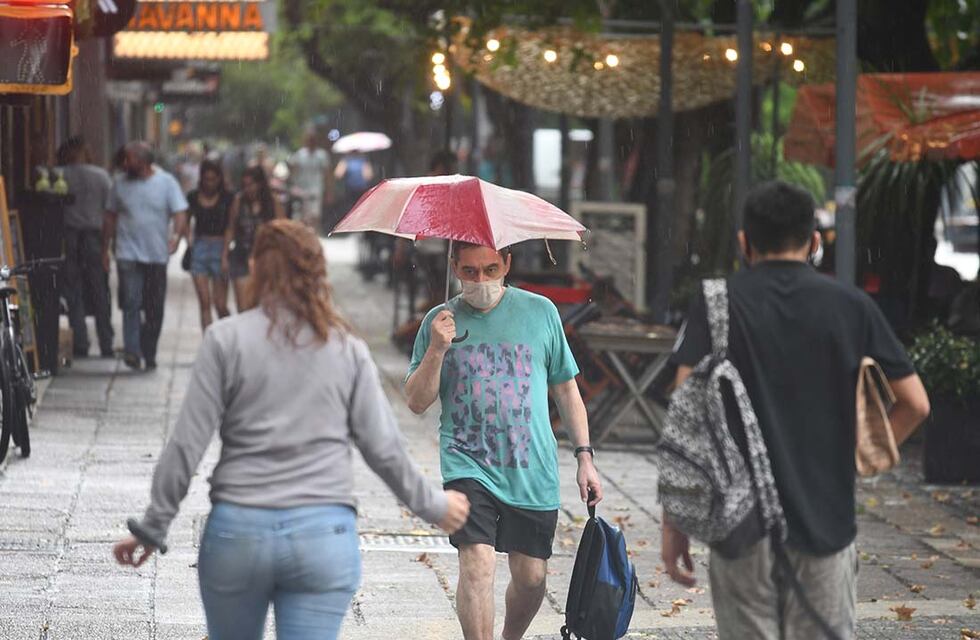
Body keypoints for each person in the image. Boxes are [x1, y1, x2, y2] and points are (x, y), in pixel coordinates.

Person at [113, 220, 470, 640]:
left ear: (255, 268)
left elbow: (185, 446)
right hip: (322, 537)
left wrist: (153, 526)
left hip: (238, 532)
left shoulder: (225, 340)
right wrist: (434, 506)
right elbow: (384, 449)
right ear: (317, 273)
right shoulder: (347, 349)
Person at [664, 180, 931, 640]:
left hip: (740, 526)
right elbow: (916, 403)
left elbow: (685, 417)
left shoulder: (716, 302)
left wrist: (676, 522)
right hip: (826, 521)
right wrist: (856, 459)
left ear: (745, 242)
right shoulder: (852, 306)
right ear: (814, 242)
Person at [405, 242, 603, 640]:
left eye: (491, 270)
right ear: (454, 267)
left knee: (531, 577)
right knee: (476, 564)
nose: (481, 281)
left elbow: (566, 391)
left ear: (507, 264)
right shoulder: (439, 322)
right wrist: (437, 349)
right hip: (467, 462)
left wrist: (585, 457)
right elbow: (416, 401)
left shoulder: (541, 312)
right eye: (470, 271)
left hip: (530, 466)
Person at [103, 142, 188, 371]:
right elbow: (110, 216)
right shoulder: (119, 183)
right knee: (131, 302)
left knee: (154, 307)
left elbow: (180, 212)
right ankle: (132, 350)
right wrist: (105, 249)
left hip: (156, 255)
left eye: (129, 159)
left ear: (143, 162)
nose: (124, 163)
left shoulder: (166, 182)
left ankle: (148, 351)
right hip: (127, 253)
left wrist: (177, 235)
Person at [57, 136, 115, 358]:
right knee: (99, 290)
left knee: (74, 290)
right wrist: (108, 245)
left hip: (70, 236)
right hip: (94, 236)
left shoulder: (61, 175)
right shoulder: (101, 176)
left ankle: (80, 342)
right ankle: (106, 342)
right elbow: (110, 210)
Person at [222, 166, 285, 312]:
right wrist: (224, 255)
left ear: (260, 184)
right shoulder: (239, 201)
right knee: (243, 307)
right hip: (241, 256)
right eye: (245, 185)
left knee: (262, 306)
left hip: (265, 258)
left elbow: (282, 229)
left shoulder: (272, 202)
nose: (248, 189)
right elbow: (230, 228)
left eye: (251, 184)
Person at [186, 160, 233, 331]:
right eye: (206, 179)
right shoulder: (193, 196)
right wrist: (188, 239)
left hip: (220, 247)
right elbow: (184, 219)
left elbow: (230, 226)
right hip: (199, 247)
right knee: (204, 302)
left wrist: (225, 254)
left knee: (220, 304)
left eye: (213, 179)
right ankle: (208, 341)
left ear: (219, 179)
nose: (210, 183)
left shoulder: (228, 198)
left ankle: (229, 337)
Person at [288, 130, 333, 231]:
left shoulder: (322, 155)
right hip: (301, 190)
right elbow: (292, 169)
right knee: (301, 216)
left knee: (315, 216)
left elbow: (327, 174)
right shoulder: (299, 154)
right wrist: (292, 184)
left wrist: (329, 191)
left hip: (316, 189)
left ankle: (314, 234)